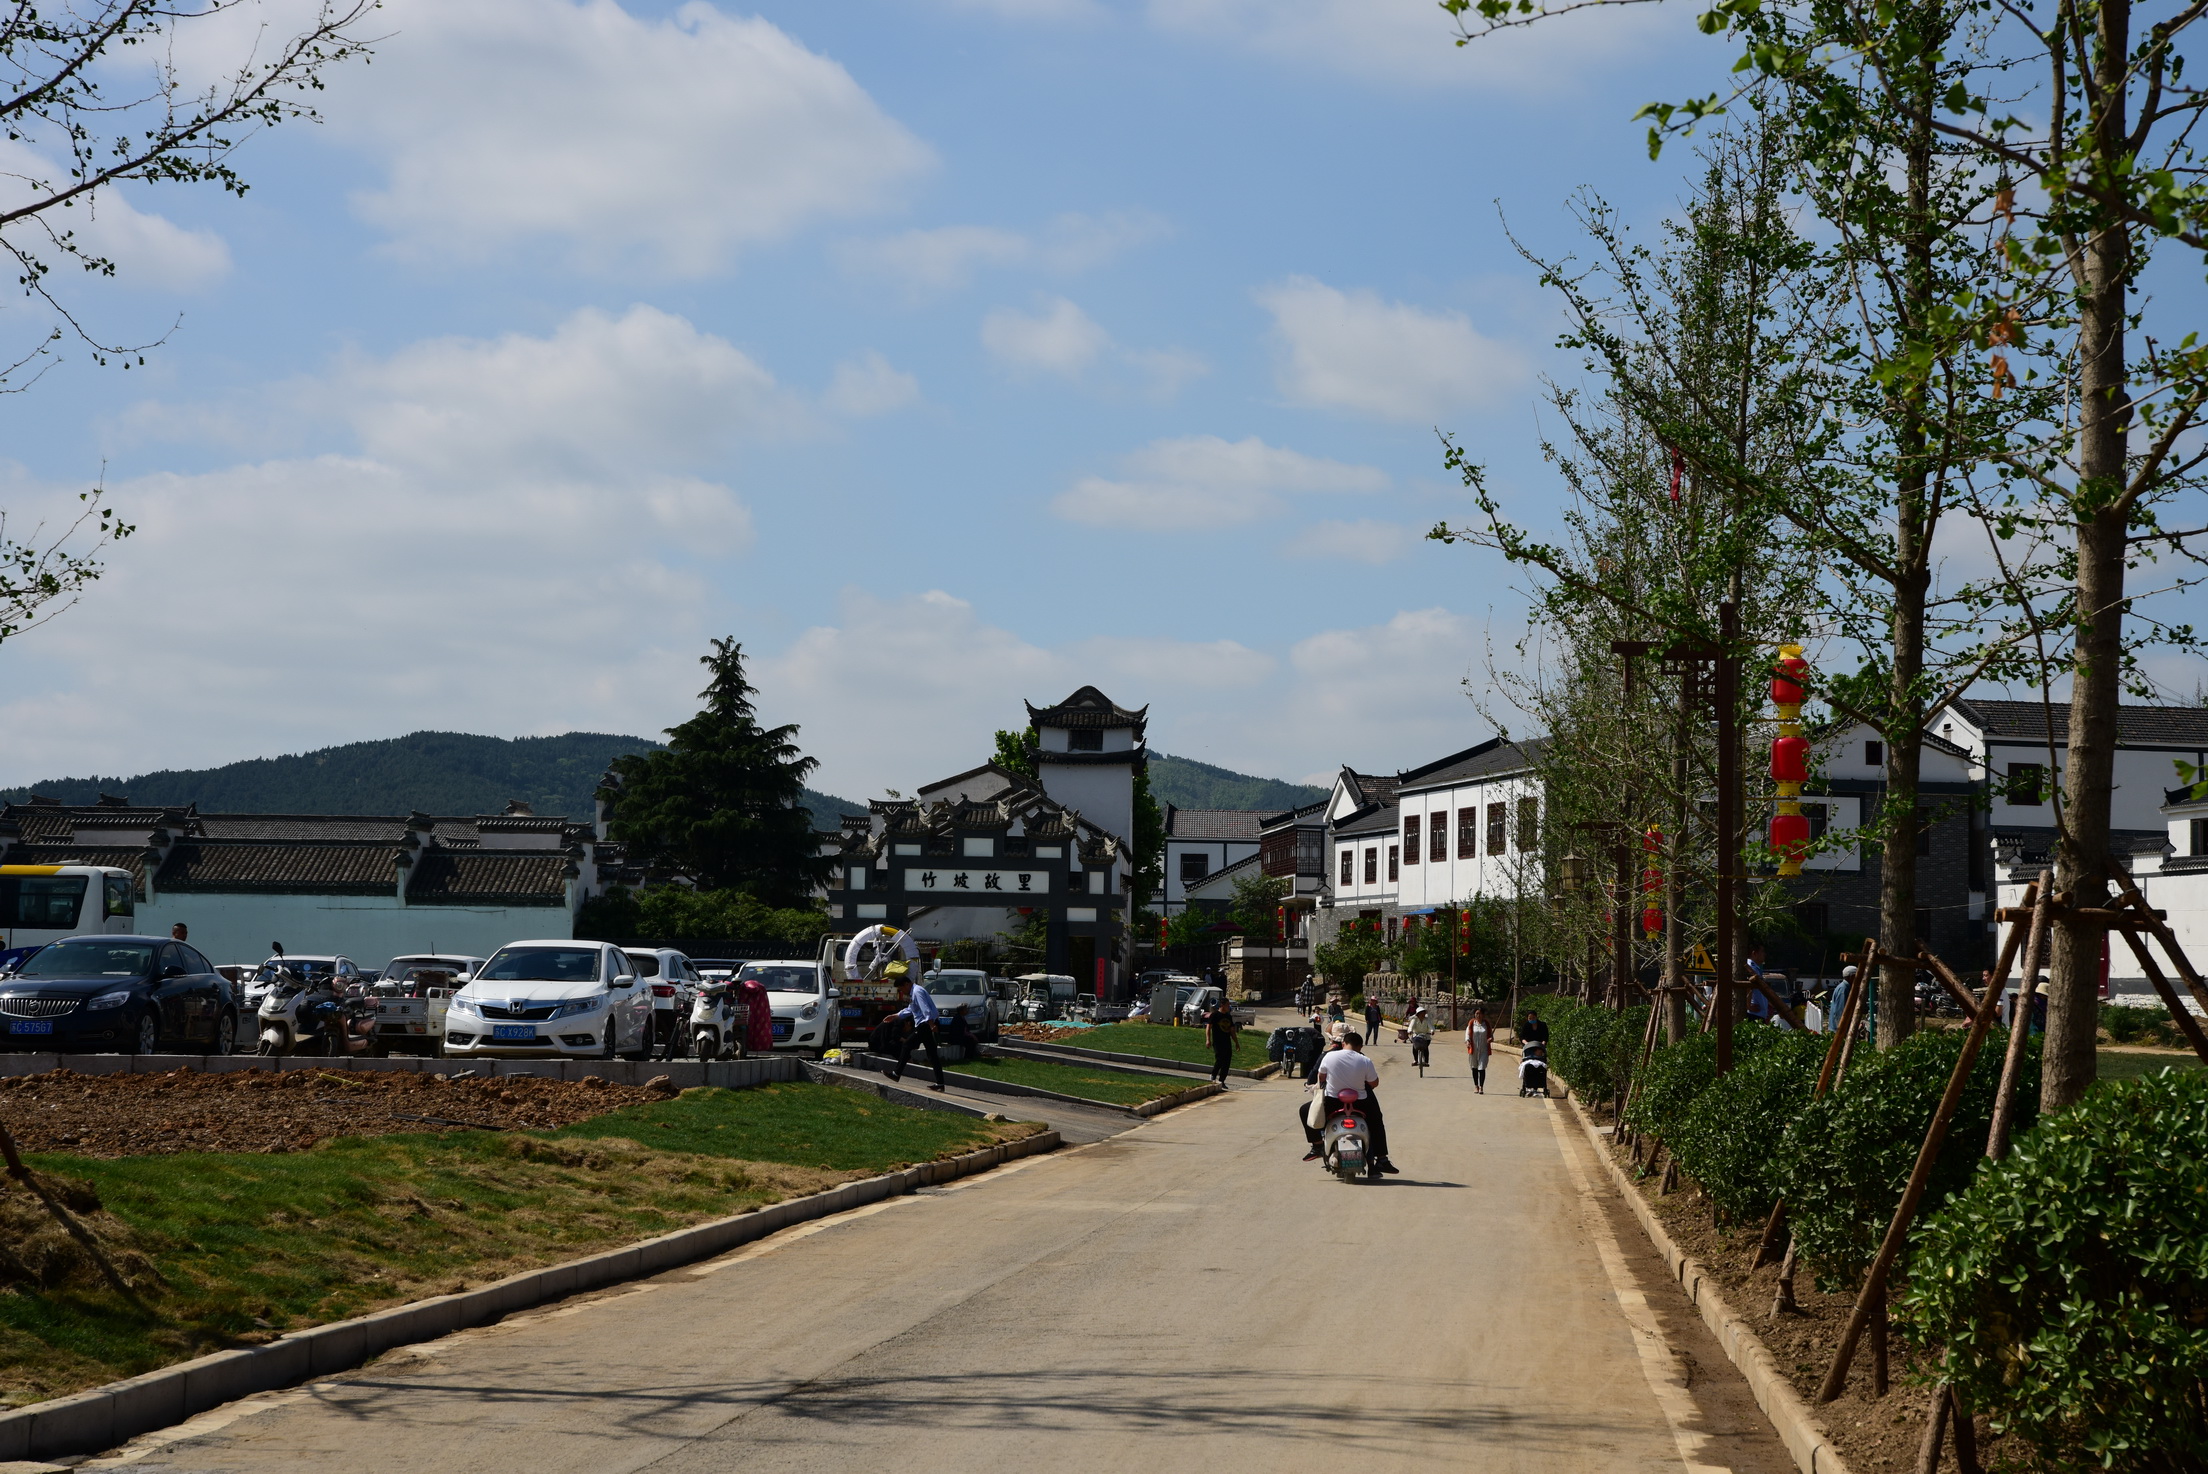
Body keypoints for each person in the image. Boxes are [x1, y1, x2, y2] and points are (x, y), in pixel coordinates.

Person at [1300, 1031, 1397, 1173]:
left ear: (1343, 1043)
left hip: (1332, 1103)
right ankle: (1382, 1159)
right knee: (1376, 1121)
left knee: (1304, 1110)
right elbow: (1374, 1083)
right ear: (1360, 1046)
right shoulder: (1365, 1060)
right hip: (1360, 1103)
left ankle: (1317, 1145)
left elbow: (1321, 1077)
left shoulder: (1329, 1056)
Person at [884, 970, 947, 1091]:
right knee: (932, 1054)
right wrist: (896, 1015)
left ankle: (896, 1074)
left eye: (901, 989)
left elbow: (925, 1009)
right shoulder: (914, 993)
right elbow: (911, 1009)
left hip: (925, 1024)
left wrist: (931, 1024)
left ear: (907, 984)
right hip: (925, 1024)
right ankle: (940, 1083)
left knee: (907, 1045)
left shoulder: (917, 992)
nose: (902, 992)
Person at [1202, 995, 1236, 1084]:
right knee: (1220, 1059)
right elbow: (1208, 1027)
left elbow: (1232, 1030)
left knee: (1227, 1061)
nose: (1229, 1007)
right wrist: (1208, 1040)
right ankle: (1213, 1075)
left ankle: (1222, 1080)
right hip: (1218, 1041)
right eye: (1228, 1005)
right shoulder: (1215, 1015)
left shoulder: (1229, 1016)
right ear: (1222, 1005)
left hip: (1227, 1041)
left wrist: (1236, 1042)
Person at [1466, 1006, 1493, 1093]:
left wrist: (1490, 1039)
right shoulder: (1471, 1024)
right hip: (1473, 1049)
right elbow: (1467, 1034)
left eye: (1480, 1013)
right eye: (1477, 1013)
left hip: (1484, 1049)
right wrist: (1467, 1041)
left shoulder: (1487, 1025)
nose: (1478, 1015)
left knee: (1482, 1068)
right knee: (1474, 1067)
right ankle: (1476, 1086)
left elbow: (1491, 1036)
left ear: (1483, 1014)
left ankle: (1481, 1086)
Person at [1405, 1005, 1434, 1069]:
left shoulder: (1427, 1019)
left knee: (1426, 1047)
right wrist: (1409, 1031)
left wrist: (1432, 1031)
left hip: (1425, 1035)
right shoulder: (1414, 1019)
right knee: (1414, 1047)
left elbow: (1431, 1026)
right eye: (1421, 1013)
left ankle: (1426, 1061)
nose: (1423, 1014)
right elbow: (1410, 1027)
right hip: (1416, 1035)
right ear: (1418, 1014)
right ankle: (1415, 1060)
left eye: (1424, 1013)